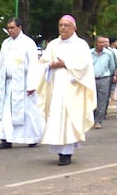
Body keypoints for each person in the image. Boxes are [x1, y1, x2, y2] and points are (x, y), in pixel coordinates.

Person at [37, 15, 97, 166]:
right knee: (56, 118)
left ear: (74, 28)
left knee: (70, 119)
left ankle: (67, 153)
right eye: (61, 25)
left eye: (66, 25)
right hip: (55, 87)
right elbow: (43, 62)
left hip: (73, 89)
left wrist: (66, 64)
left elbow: (84, 66)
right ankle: (59, 150)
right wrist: (50, 64)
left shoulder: (80, 45)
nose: (63, 28)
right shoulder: (53, 45)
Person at [0, 17, 44, 149]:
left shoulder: (28, 43)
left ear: (19, 27)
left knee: (28, 112)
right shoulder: (6, 43)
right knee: (6, 112)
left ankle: (32, 137)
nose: (10, 30)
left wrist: (32, 84)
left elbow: (33, 64)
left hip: (24, 84)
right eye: (8, 28)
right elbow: (1, 64)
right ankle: (6, 138)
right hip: (9, 84)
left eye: (12, 28)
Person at [91, 36, 116, 129]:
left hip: (104, 78)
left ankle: (98, 120)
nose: (102, 44)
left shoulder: (109, 54)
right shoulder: (90, 53)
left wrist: (110, 75)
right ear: (95, 43)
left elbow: (112, 66)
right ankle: (91, 119)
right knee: (91, 98)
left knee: (102, 100)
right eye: (99, 43)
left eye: (103, 43)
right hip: (91, 78)